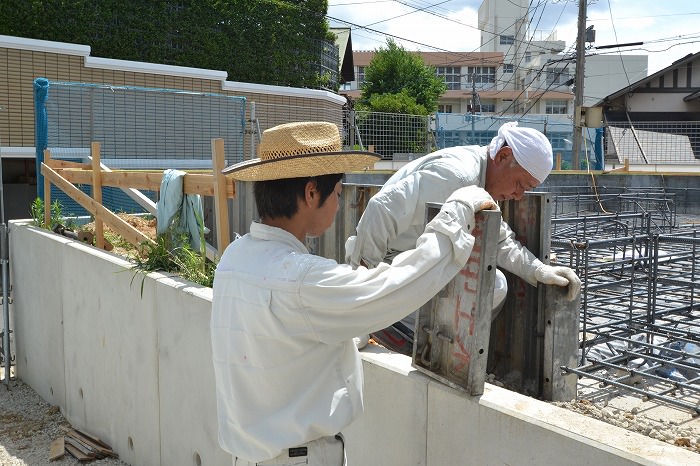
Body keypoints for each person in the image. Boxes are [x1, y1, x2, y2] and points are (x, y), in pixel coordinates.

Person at [210, 121, 498, 465]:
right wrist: (457, 213)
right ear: (311, 193)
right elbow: (397, 286)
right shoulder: (301, 280)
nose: (339, 201)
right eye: (337, 192)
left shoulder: (234, 259)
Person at [346, 121, 581, 354]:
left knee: (495, 284)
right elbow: (381, 208)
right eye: (520, 184)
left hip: (414, 263)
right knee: (489, 284)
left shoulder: (481, 180)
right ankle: (386, 325)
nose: (519, 196)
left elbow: (499, 240)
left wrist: (540, 270)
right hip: (393, 265)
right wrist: (363, 289)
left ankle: (417, 335)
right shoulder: (457, 176)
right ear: (503, 156)